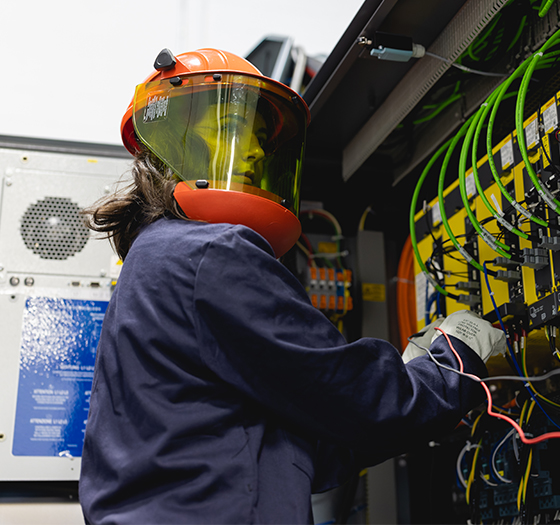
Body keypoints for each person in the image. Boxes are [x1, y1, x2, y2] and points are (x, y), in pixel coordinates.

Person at [79, 48, 506, 525]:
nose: (258, 150)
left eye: (262, 138)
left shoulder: (155, 258)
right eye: (234, 128)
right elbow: (356, 397)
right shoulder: (209, 254)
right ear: (172, 139)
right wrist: (457, 359)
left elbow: (300, 452)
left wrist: (408, 381)